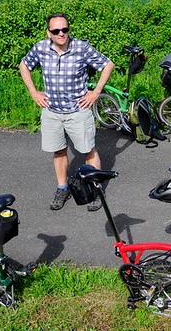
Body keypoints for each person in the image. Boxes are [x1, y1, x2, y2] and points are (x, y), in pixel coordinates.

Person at [19, 13, 115, 212]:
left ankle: (96, 190)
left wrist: (96, 92)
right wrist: (33, 91)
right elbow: (24, 65)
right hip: (51, 111)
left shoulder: (81, 48)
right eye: (56, 31)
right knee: (59, 150)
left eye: (65, 29)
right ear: (49, 33)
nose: (61, 33)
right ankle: (62, 188)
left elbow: (108, 64)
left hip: (78, 111)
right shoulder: (41, 48)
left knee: (88, 150)